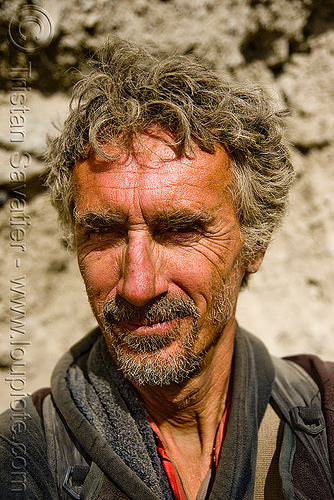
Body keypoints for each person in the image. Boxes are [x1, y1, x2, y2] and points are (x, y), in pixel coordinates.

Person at [1, 38, 334, 500]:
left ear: (253, 244)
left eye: (180, 230)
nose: (138, 285)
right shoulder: (20, 459)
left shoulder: (327, 418)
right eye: (104, 233)